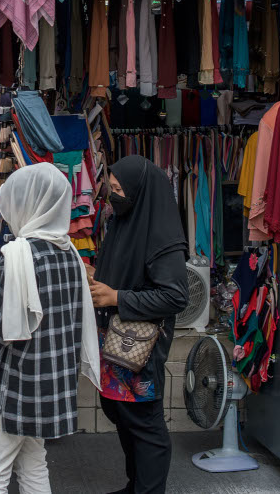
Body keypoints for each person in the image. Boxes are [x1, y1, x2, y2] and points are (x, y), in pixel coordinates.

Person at [0, 163, 100, 494]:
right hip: (49, 383)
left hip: (12, 384)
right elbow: (49, 307)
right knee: (34, 463)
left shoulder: (17, 253)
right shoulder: (71, 255)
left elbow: (0, 326)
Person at [87, 156, 189, 494]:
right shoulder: (123, 222)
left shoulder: (163, 240)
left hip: (138, 348)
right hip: (116, 340)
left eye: (119, 190)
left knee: (146, 426)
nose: (113, 196)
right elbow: (124, 273)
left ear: (140, 192)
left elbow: (175, 297)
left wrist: (116, 297)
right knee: (123, 416)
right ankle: (136, 486)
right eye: (111, 188)